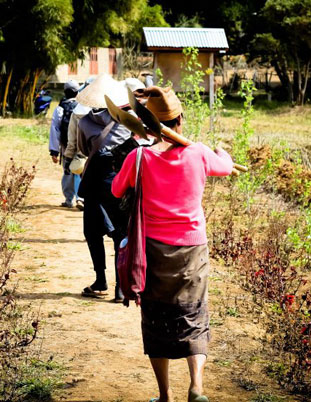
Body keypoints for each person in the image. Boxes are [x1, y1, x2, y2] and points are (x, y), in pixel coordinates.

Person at [111, 86, 237, 402]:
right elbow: (224, 165)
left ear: (146, 124)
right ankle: (196, 387)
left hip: (152, 252)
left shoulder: (138, 157)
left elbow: (115, 190)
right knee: (194, 313)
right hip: (193, 251)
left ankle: (165, 395)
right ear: (180, 119)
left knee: (155, 318)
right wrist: (219, 150)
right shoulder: (199, 153)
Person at [74, 74, 132, 302]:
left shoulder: (84, 122)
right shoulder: (127, 120)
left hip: (94, 183)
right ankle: (120, 288)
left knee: (92, 233)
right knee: (120, 234)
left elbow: (83, 149)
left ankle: (100, 281)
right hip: (120, 183)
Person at [48, 80, 82, 208]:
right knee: (80, 170)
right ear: (77, 92)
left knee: (67, 171)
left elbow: (55, 130)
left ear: (65, 92)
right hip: (80, 146)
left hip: (65, 146)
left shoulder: (59, 108)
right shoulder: (82, 107)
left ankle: (68, 200)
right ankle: (81, 198)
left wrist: (54, 151)